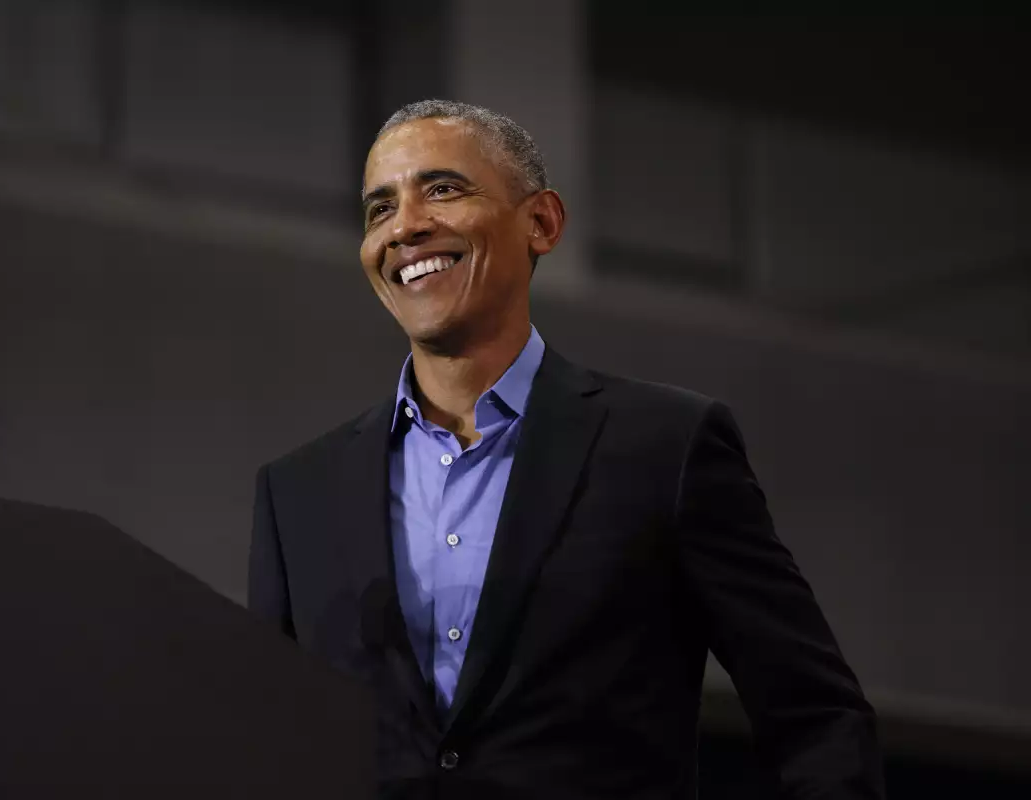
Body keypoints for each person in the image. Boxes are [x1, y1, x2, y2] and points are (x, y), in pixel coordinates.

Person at [249, 100, 885, 799]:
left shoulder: (664, 447)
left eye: (442, 189)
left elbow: (816, 718)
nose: (405, 226)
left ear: (541, 223)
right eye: (379, 209)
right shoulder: (296, 494)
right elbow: (266, 745)